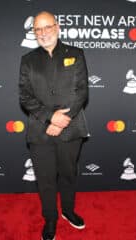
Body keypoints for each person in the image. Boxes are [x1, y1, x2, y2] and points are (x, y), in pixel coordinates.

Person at [18, 11, 90, 240]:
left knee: (68, 174)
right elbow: (25, 96)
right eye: (38, 29)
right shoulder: (28, 60)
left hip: (71, 129)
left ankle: (68, 211)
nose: (43, 33)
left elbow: (81, 92)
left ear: (57, 27)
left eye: (47, 27)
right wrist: (50, 117)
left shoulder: (76, 54)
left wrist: (61, 122)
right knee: (46, 179)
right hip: (40, 129)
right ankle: (50, 218)